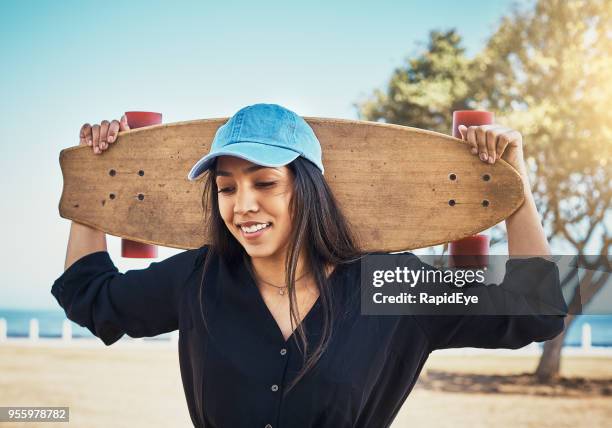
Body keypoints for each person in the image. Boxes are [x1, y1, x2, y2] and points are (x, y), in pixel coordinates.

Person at [53, 103, 567, 428]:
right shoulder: (201, 279)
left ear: (308, 187)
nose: (243, 204)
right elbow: (90, 296)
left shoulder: (388, 287)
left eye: (265, 182)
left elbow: (537, 310)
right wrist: (97, 184)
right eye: (227, 188)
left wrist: (511, 185)